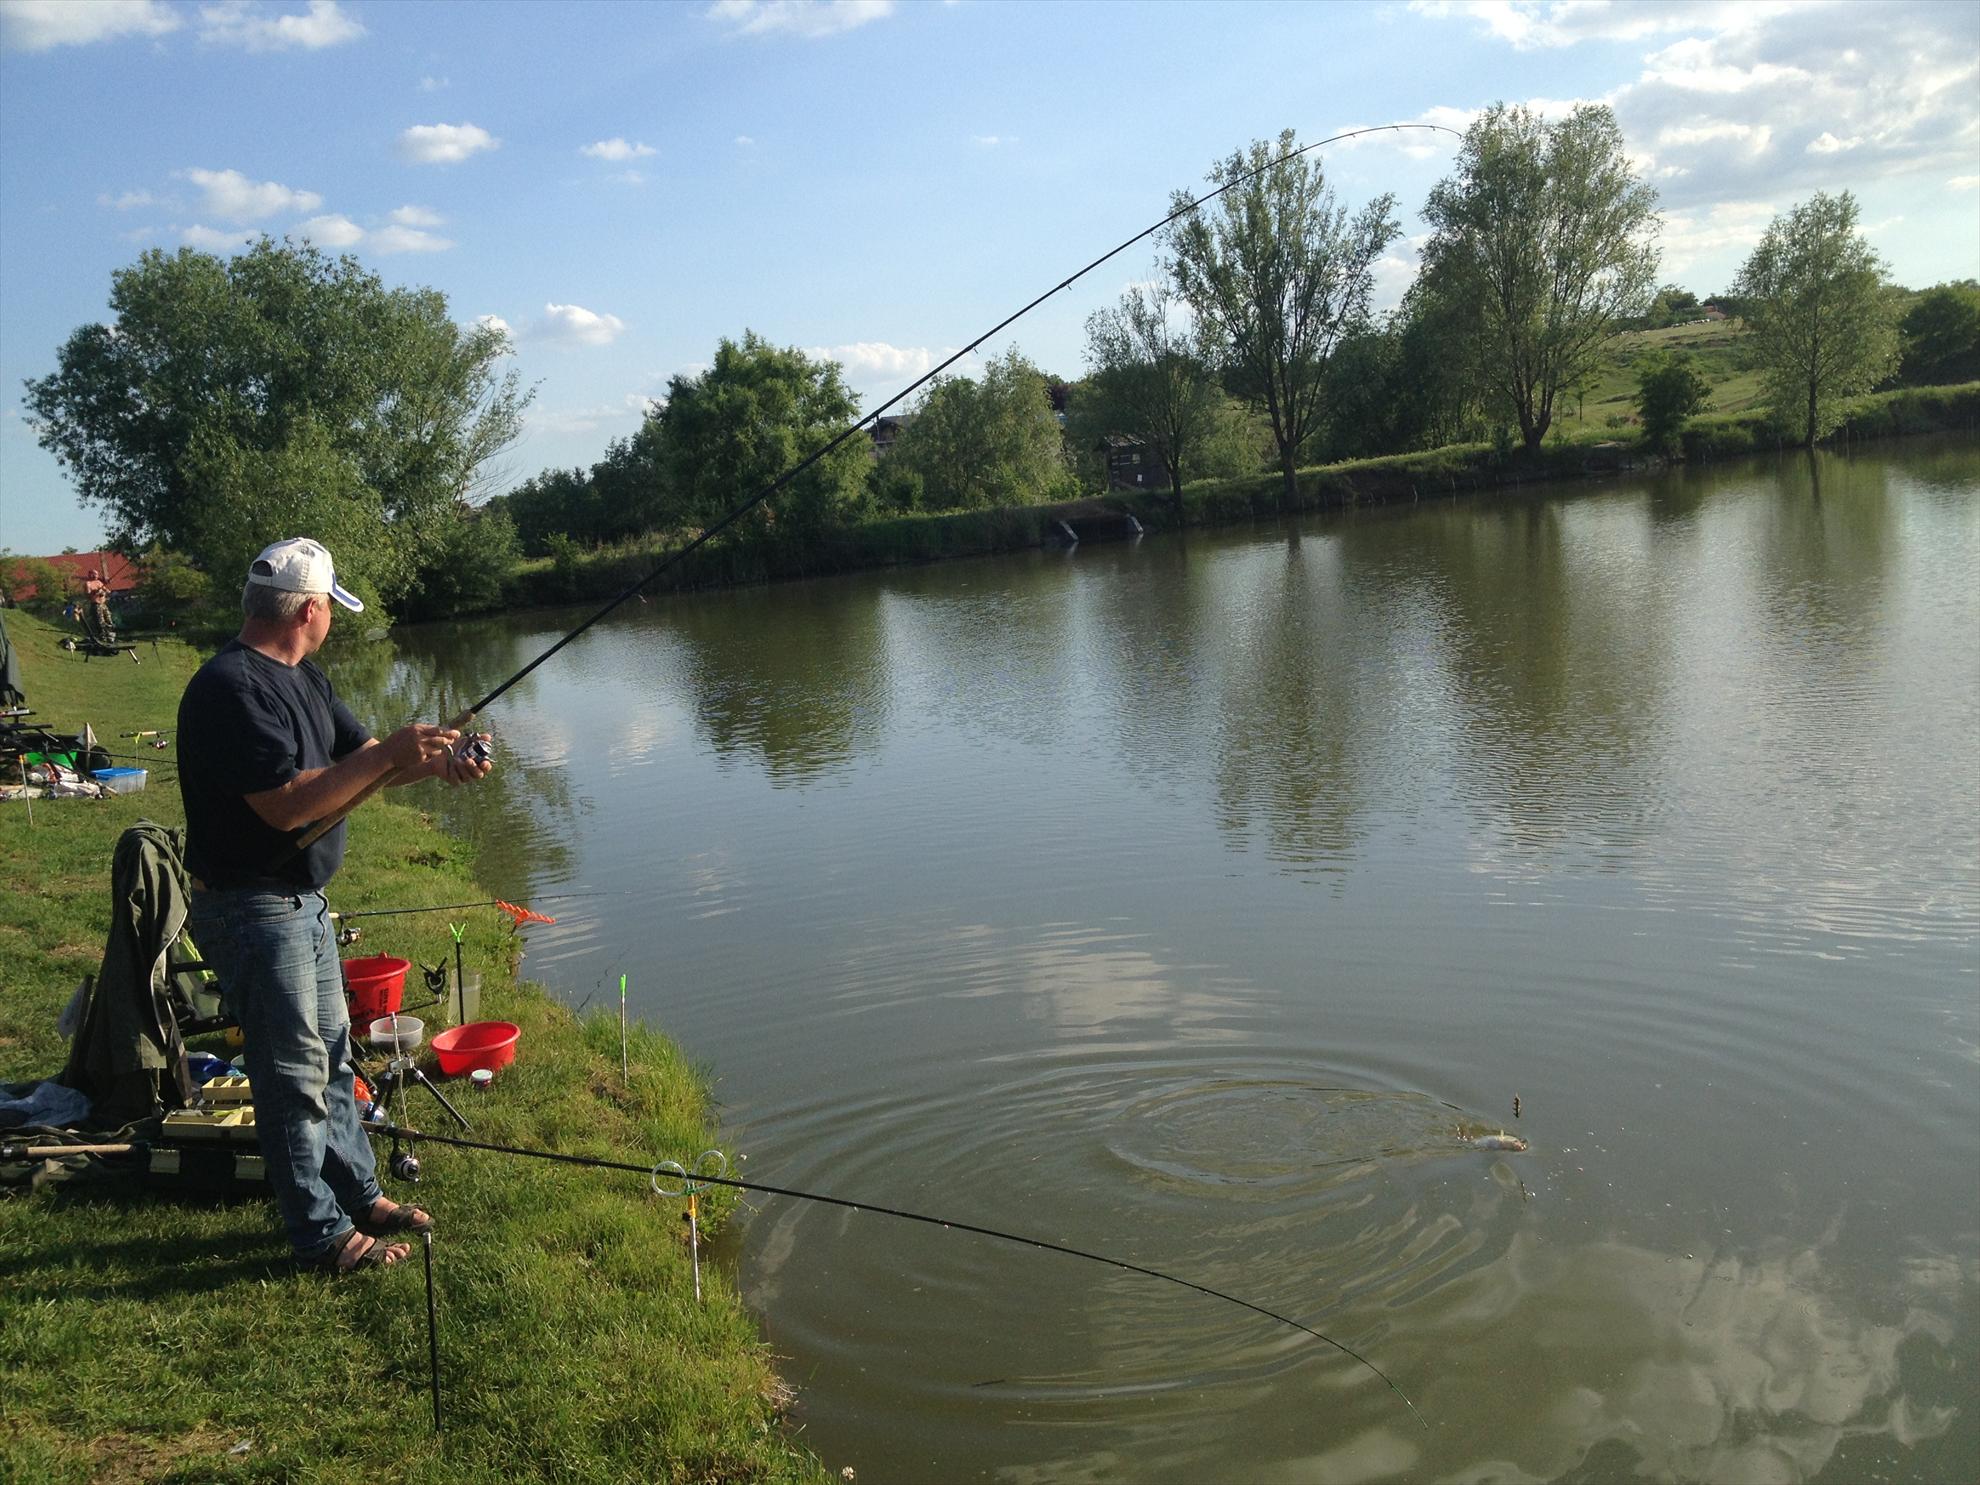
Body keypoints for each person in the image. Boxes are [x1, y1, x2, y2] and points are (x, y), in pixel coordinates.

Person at [177, 538, 491, 1273]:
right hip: (251, 906)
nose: (332, 620)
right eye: (331, 609)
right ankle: (320, 1236)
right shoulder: (229, 688)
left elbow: (364, 763)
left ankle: (360, 1194)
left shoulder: (304, 677)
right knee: (291, 1075)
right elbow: (288, 805)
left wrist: (435, 765)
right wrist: (387, 756)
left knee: (331, 1056)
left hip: (299, 901)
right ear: (309, 609)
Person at [81, 567, 113, 641]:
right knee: (100, 622)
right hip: (96, 605)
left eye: (97, 574)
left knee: (109, 620)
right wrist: (95, 592)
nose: (97, 575)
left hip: (103, 604)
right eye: (95, 574)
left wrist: (103, 592)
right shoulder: (88, 583)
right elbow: (88, 594)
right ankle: (102, 636)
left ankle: (110, 636)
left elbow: (108, 591)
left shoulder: (99, 582)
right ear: (91, 574)